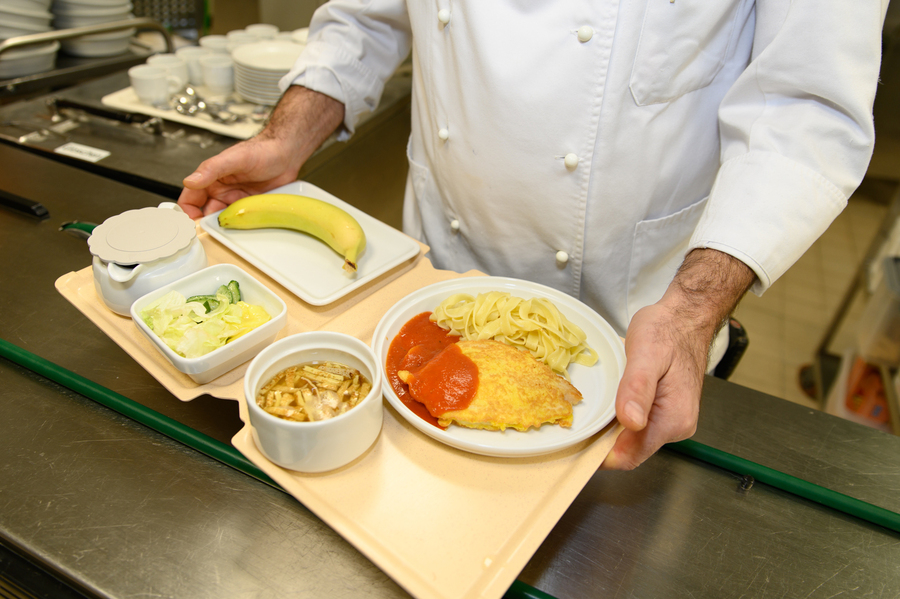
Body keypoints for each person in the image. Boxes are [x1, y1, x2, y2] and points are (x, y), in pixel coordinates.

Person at [179, 1, 887, 470]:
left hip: (636, 335)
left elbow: (804, 112)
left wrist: (694, 310)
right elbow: (366, 15)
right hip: (428, 301)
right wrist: (285, 136)